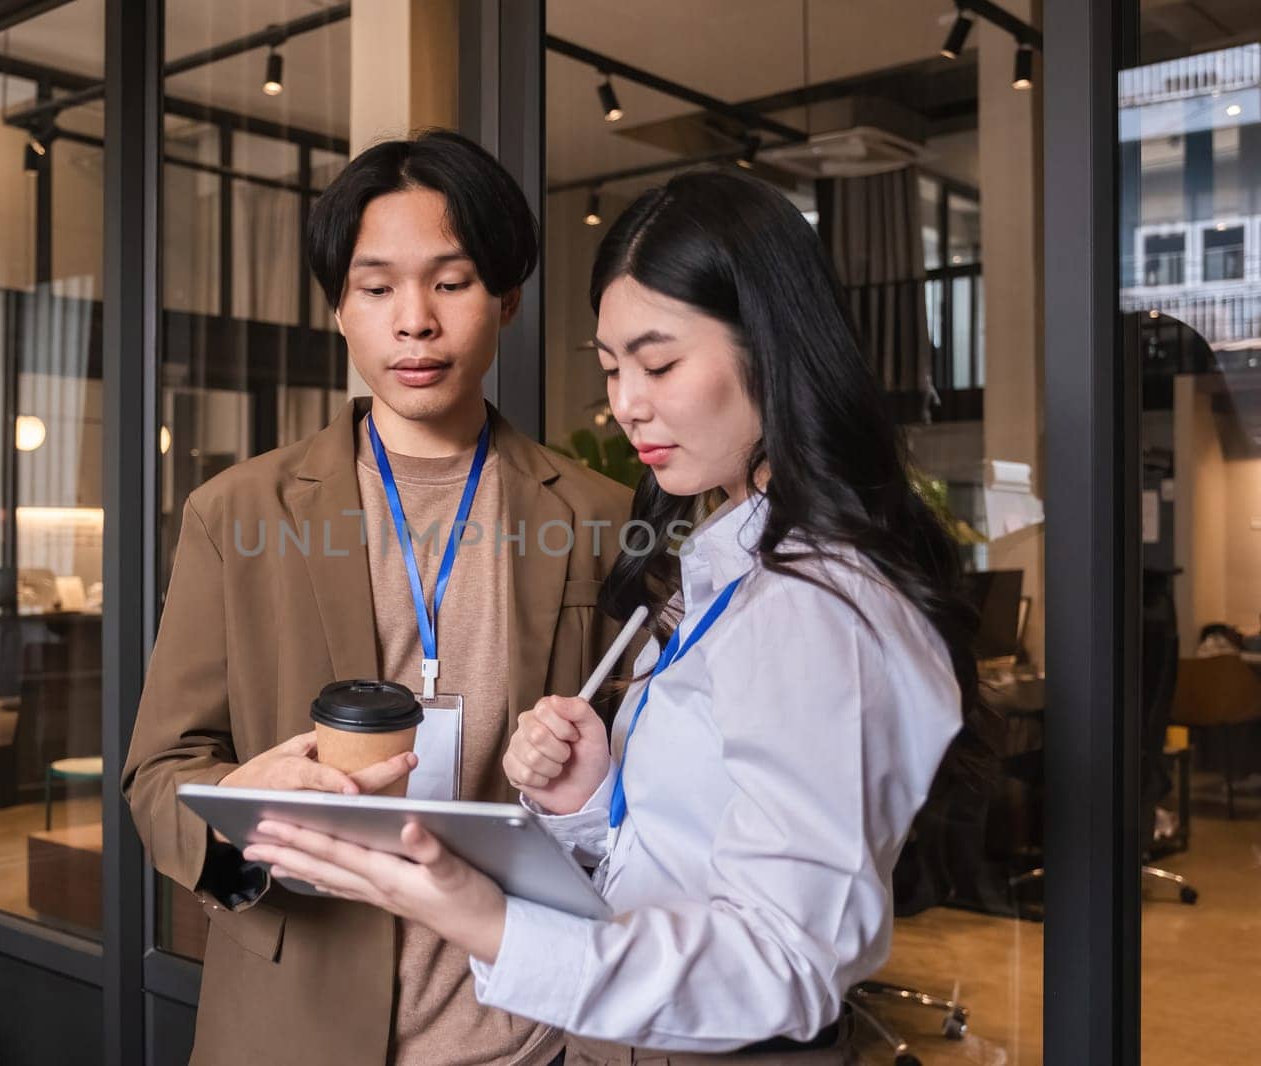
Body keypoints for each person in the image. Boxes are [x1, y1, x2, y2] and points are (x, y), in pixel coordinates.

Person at [242, 168, 981, 1063]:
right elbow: (686, 851)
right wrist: (591, 800)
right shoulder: (726, 568)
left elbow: (788, 959)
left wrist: (483, 918)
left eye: (660, 363)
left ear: (773, 346)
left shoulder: (812, 604)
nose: (627, 404)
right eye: (612, 368)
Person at [121, 129, 634, 1066]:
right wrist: (237, 803)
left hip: (528, 1036)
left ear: (506, 298)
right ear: (339, 310)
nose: (415, 321)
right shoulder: (237, 511)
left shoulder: (600, 516)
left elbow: (646, 797)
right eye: (377, 286)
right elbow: (157, 775)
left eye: (452, 281)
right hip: (292, 1026)